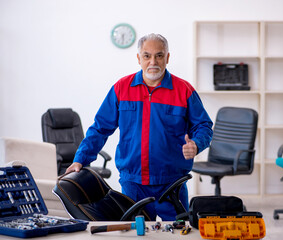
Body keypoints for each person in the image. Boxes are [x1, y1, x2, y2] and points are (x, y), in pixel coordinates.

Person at [65, 33, 213, 221]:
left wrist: (197, 143)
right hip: (133, 183)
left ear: (167, 57)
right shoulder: (121, 88)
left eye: (159, 55)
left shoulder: (184, 90)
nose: (153, 61)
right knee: (136, 234)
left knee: (179, 233)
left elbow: (204, 126)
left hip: (172, 183)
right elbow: (100, 128)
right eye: (147, 56)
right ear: (138, 58)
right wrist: (81, 159)